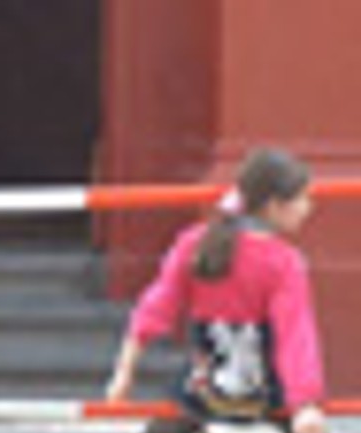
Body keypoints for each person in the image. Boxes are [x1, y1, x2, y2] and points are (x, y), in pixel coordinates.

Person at [105, 148, 327, 433]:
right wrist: (305, 403)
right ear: (274, 206)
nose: (309, 208)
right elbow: (295, 336)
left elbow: (154, 308)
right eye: (302, 198)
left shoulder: (193, 243)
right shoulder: (283, 263)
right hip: (263, 396)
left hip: (201, 394)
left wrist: (124, 373)